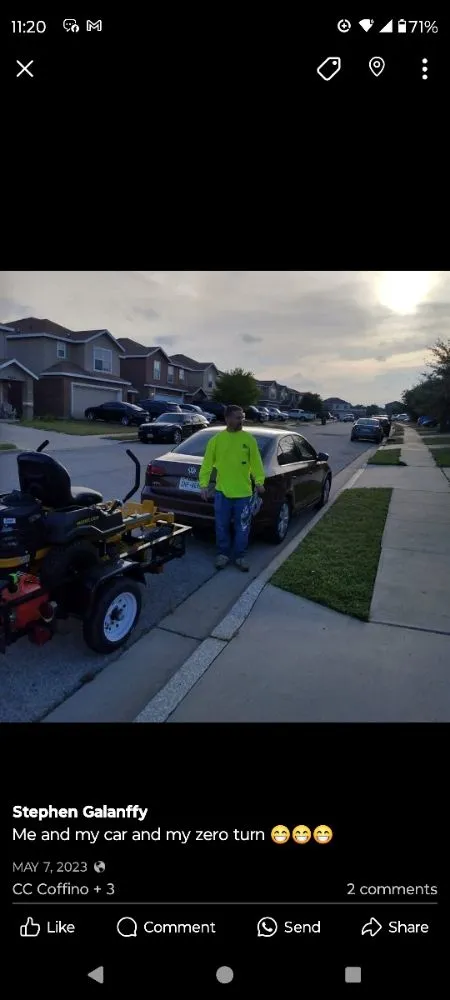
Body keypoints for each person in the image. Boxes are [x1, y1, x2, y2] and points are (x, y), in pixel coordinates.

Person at [199, 404, 265, 571]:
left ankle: (240, 556)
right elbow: (207, 465)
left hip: (243, 494)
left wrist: (259, 482)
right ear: (227, 418)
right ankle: (223, 554)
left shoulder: (249, 440)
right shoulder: (216, 441)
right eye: (237, 417)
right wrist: (203, 486)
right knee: (221, 526)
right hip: (223, 493)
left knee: (242, 527)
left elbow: (256, 463)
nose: (241, 420)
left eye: (242, 417)